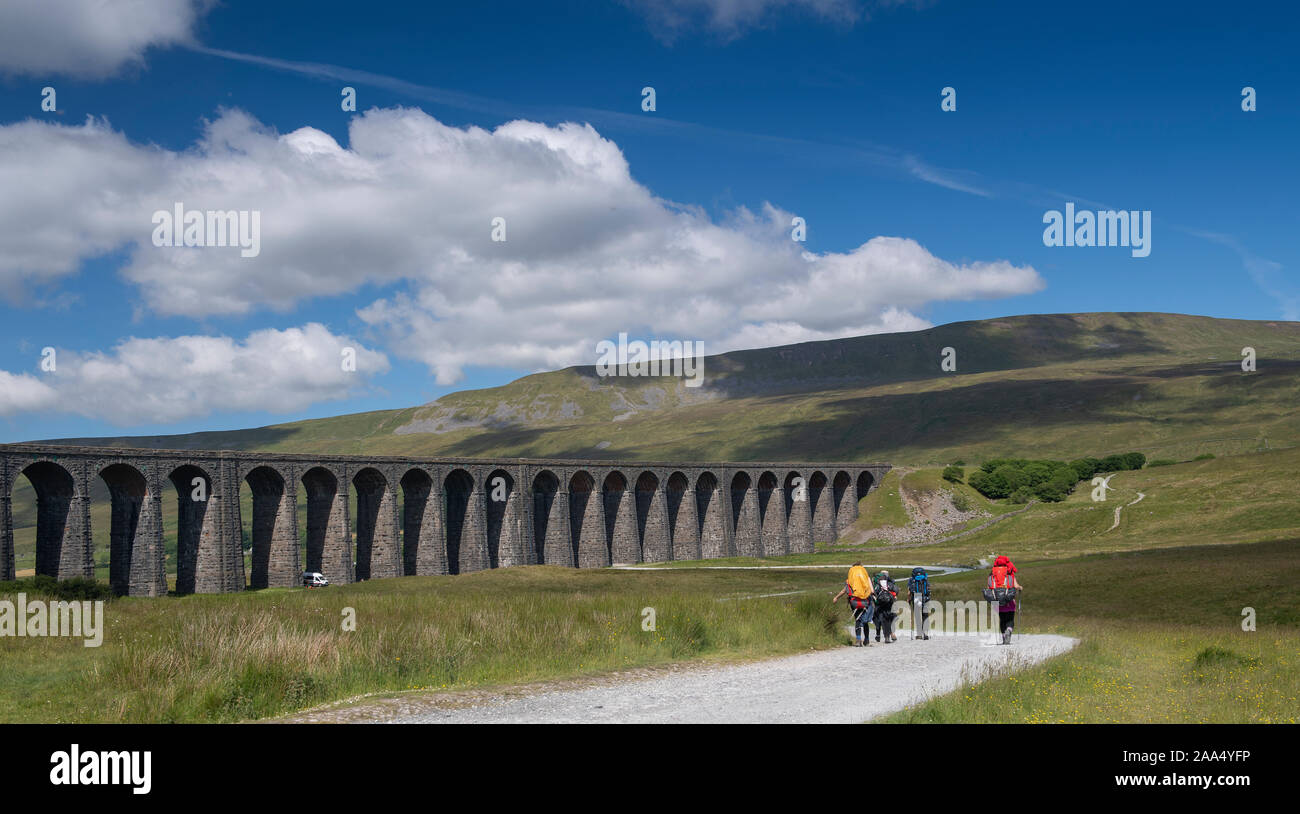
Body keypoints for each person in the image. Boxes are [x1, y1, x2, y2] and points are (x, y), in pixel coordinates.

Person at [830, 561, 875, 646]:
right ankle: (867, 640)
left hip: (854, 602)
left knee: (857, 619)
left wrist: (836, 597)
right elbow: (872, 591)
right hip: (866, 601)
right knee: (865, 621)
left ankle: (858, 640)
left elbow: (844, 590)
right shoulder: (866, 577)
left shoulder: (851, 578)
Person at [988, 555, 1023, 644]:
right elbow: (1016, 586)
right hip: (1009, 601)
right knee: (1010, 619)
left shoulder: (992, 573)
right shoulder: (1009, 573)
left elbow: (989, 586)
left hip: (997, 601)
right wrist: (1019, 588)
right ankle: (1009, 630)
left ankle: (1004, 637)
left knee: (1002, 619)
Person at [872, 570, 898, 643]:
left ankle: (878, 635)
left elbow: (873, 592)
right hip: (889, 603)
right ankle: (891, 634)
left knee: (878, 618)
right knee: (890, 618)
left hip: (879, 604)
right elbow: (896, 591)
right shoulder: (890, 583)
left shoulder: (876, 583)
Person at [907, 566, 932, 640]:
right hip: (925, 598)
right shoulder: (925, 579)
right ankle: (926, 633)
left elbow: (909, 591)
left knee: (918, 617)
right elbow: (929, 590)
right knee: (925, 616)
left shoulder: (911, 580)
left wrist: (908, 599)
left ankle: (919, 634)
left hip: (916, 598)